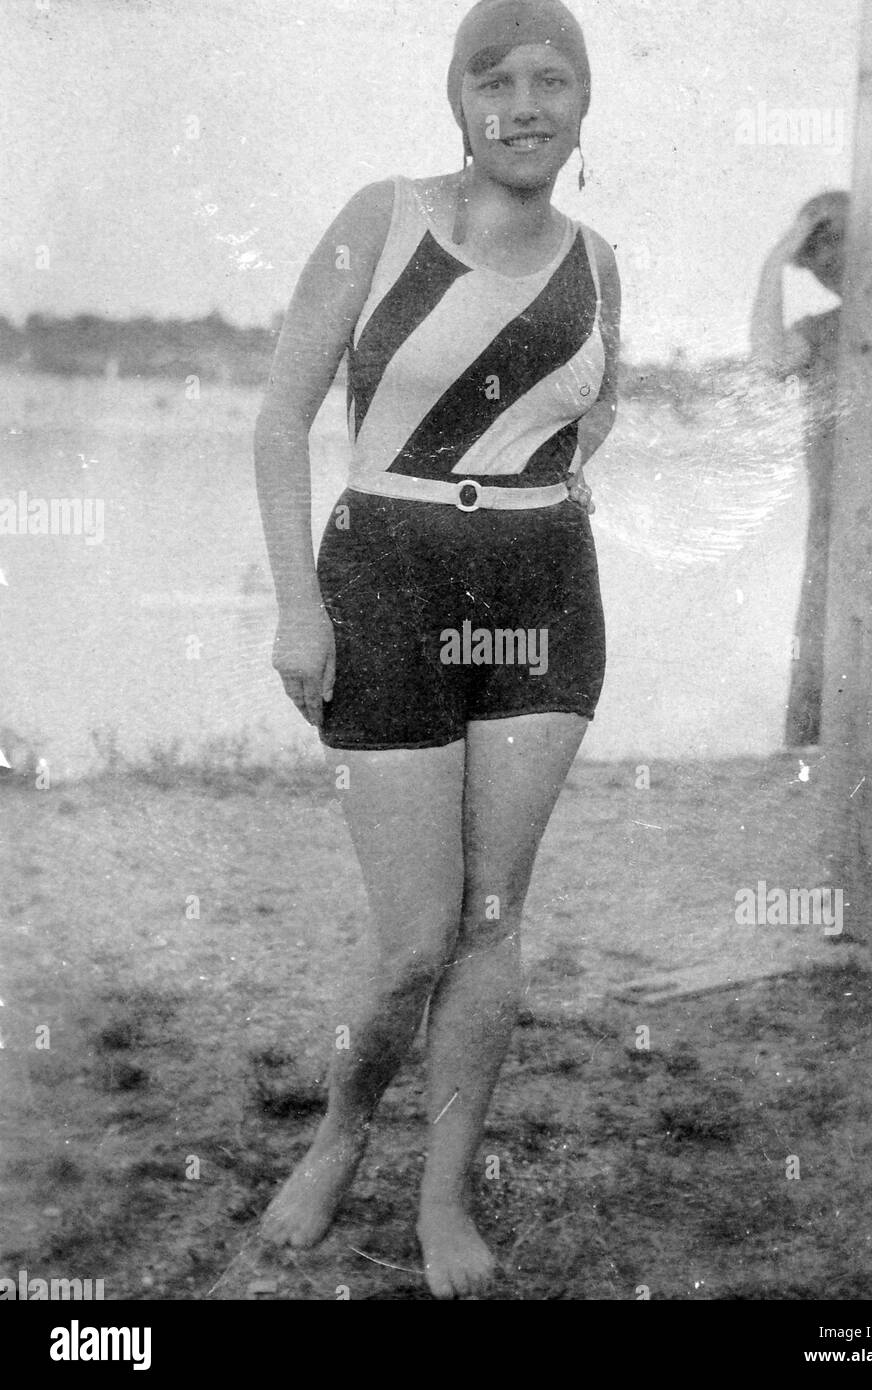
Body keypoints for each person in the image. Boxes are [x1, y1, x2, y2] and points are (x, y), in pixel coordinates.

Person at [252, 0, 620, 1299]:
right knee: (412, 937)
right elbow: (281, 416)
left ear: (583, 106)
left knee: (493, 916)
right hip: (384, 582)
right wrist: (300, 607)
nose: (525, 105)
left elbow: (595, 421)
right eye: (496, 81)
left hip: (541, 596)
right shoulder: (384, 216)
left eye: (552, 81)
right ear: (456, 101)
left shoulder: (597, 261)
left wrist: (519, 505)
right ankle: (342, 1129)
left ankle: (444, 1192)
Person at [750, 190, 848, 749]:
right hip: (837, 519)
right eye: (814, 264)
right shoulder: (826, 331)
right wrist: (773, 263)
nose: (825, 273)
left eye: (831, 257)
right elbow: (767, 359)